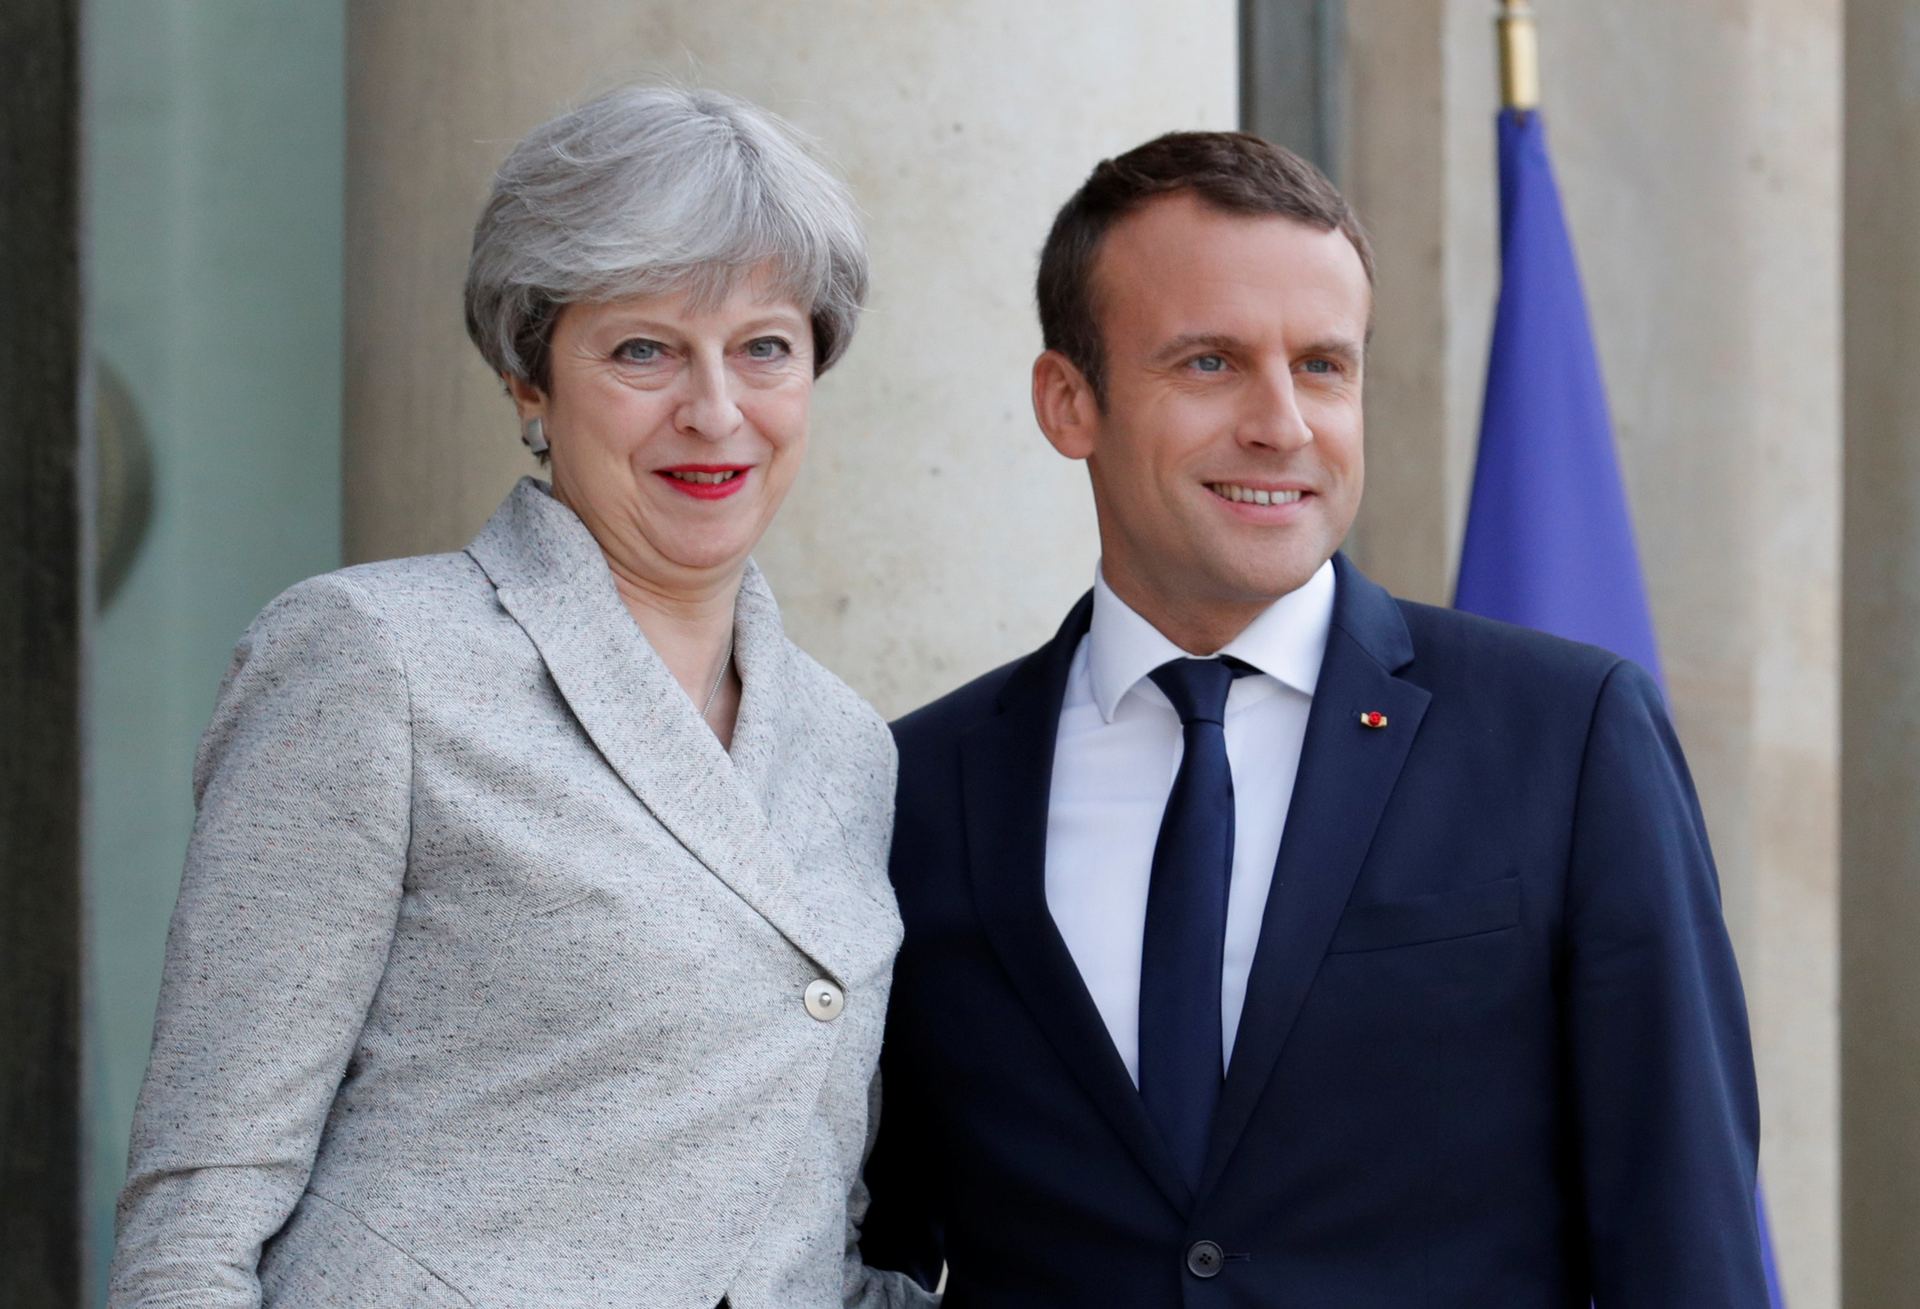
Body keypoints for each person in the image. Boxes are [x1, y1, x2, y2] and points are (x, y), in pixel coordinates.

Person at [862, 131, 1769, 1305]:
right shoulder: (920, 786)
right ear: (1067, 400)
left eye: (1325, 367)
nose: (1282, 423)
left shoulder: (1568, 736)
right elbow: (869, 1239)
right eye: (1210, 363)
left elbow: (1685, 1241)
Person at [110, 86, 929, 1309]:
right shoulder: (371, 657)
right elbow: (200, 1205)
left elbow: (804, 1202)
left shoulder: (847, 745)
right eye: (644, 349)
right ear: (529, 381)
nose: (716, 410)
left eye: (764, 346)